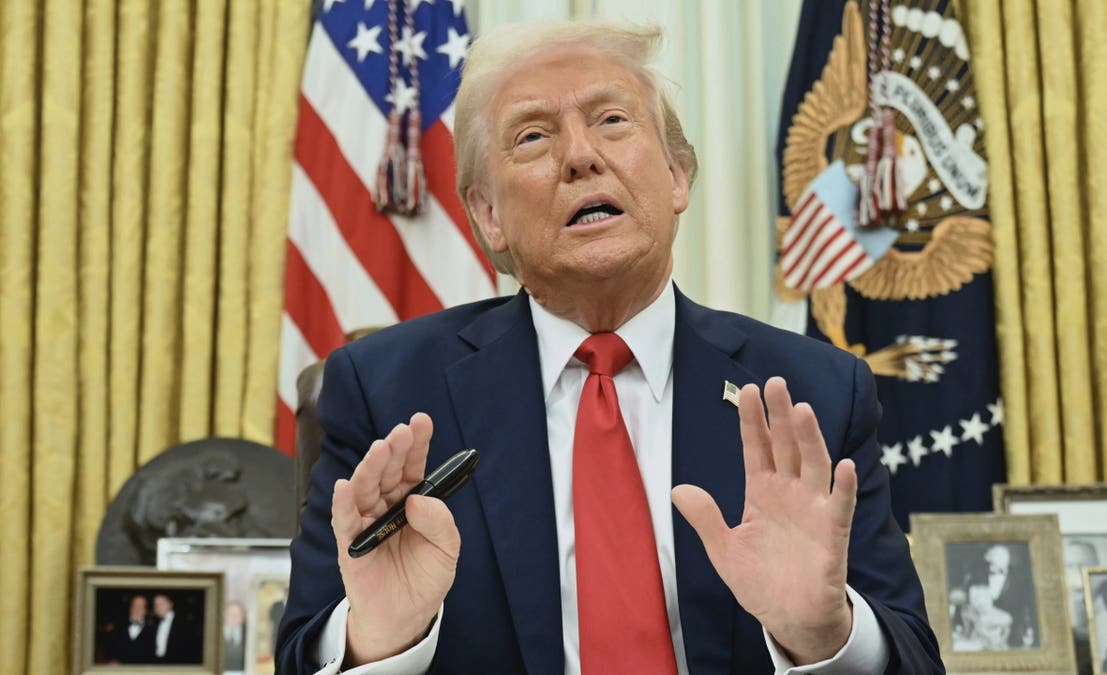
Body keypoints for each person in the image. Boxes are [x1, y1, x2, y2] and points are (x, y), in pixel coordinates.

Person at [276, 19, 942, 675]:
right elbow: (300, 654)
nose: (580, 155)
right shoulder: (386, 390)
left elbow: (912, 658)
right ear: (489, 215)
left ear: (678, 176)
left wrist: (825, 634)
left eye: (613, 121)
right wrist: (381, 641)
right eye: (533, 136)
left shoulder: (813, 392)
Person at [153, 593, 202, 664]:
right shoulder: (153, 625)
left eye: (161, 604)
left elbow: (191, 649)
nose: (157, 607)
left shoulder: (184, 623)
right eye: (155, 605)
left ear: (170, 604)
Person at [108, 594, 156, 664]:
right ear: (130, 608)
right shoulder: (118, 627)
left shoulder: (153, 631)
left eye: (140, 607)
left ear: (145, 610)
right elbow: (111, 649)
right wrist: (113, 659)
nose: (137, 609)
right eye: (135, 606)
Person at [223, 600, 247, 672]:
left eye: (237, 615)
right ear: (224, 615)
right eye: (230, 614)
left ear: (243, 617)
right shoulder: (216, 632)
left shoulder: (248, 634)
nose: (233, 617)